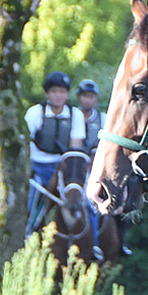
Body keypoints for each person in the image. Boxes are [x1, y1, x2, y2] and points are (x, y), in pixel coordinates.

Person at [25, 71, 88, 245]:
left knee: (86, 198)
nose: (58, 96)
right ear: (47, 94)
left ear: (67, 94)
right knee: (32, 194)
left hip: (63, 167)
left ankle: (94, 241)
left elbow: (75, 148)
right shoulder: (35, 113)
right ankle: (27, 232)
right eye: (54, 91)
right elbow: (25, 144)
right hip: (37, 166)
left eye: (62, 92)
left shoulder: (75, 115)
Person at [76, 78, 130, 256]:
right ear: (79, 98)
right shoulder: (72, 116)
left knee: (121, 195)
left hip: (97, 165)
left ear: (96, 100)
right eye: (84, 96)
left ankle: (121, 241)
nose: (87, 100)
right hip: (75, 165)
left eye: (91, 97)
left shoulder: (104, 119)